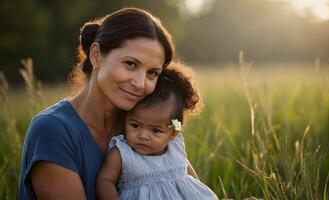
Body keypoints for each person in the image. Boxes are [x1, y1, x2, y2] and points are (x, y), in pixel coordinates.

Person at [19, 7, 178, 199]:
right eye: (131, 64)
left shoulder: (145, 126)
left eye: (152, 73)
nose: (140, 83)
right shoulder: (52, 129)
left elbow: (185, 185)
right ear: (96, 55)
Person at [95, 65, 218, 200]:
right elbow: (105, 181)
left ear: (172, 133)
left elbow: (192, 179)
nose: (143, 135)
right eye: (135, 125)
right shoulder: (122, 153)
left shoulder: (175, 147)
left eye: (155, 130)